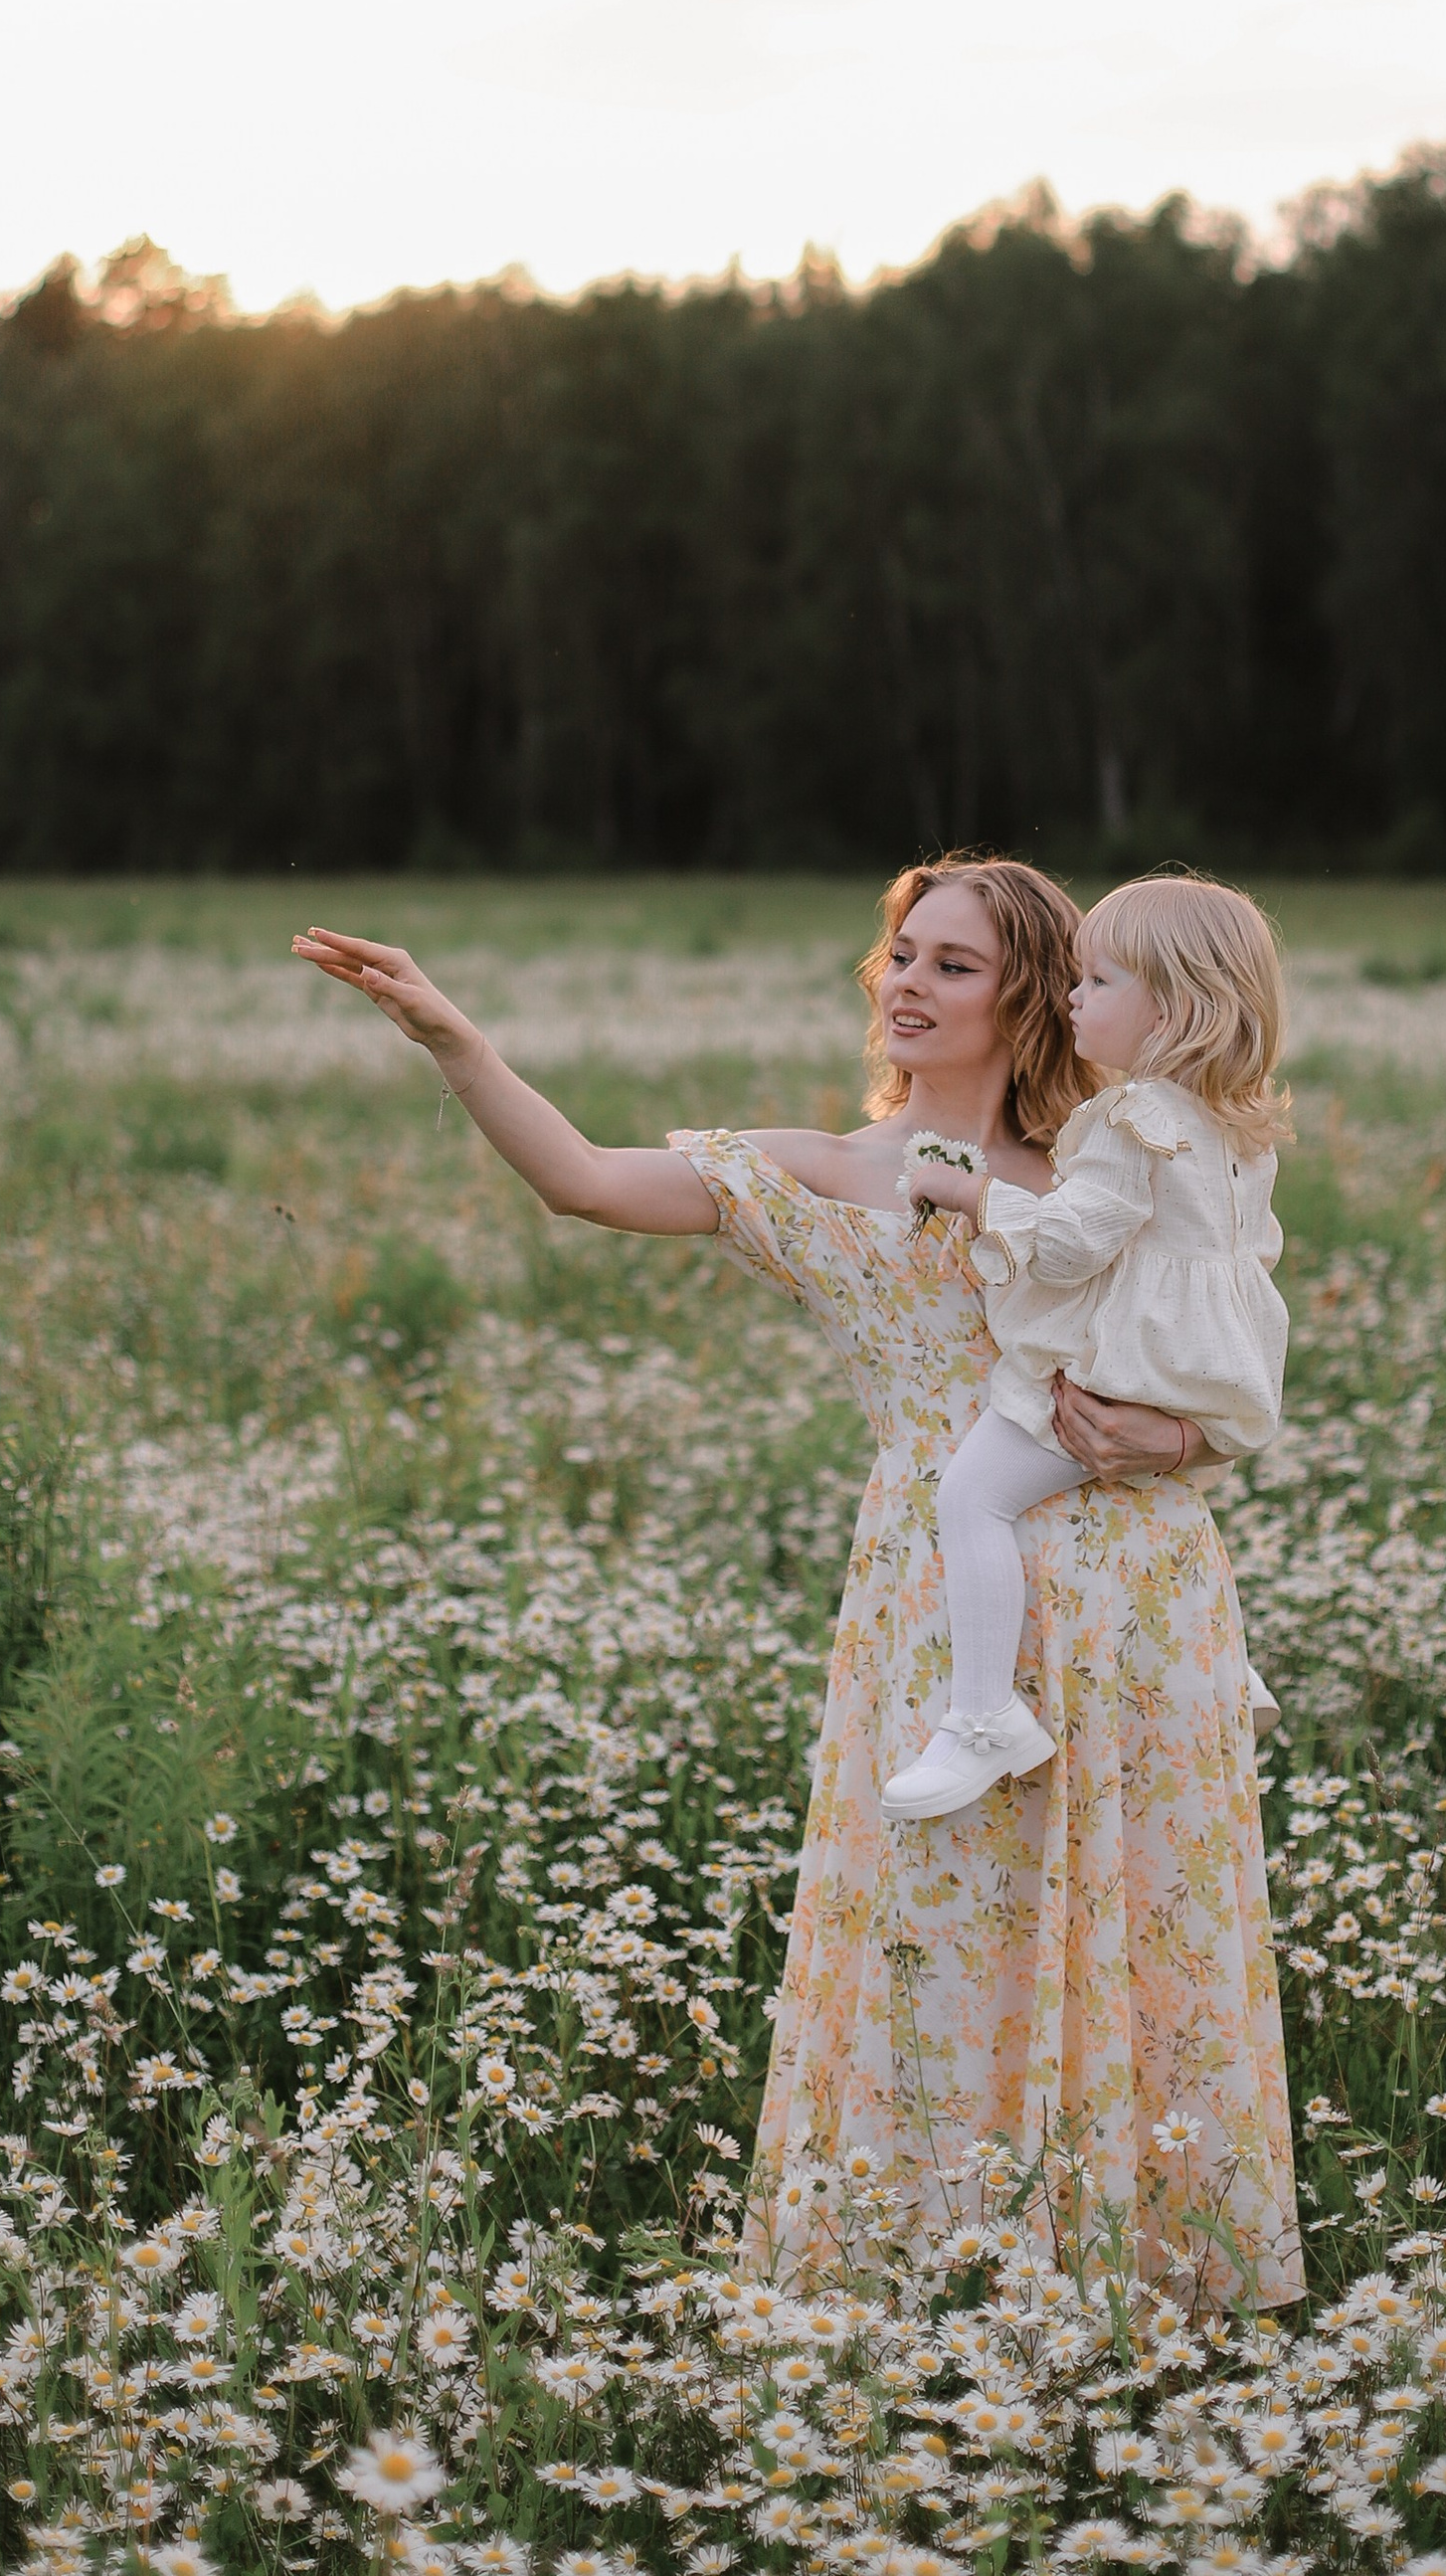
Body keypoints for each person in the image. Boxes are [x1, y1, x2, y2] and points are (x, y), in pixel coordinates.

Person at [293, 857, 1300, 2301]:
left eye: (953, 964)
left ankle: (1149, 2286)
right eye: (900, 952)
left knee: (1140, 1930)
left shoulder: (1127, 1147)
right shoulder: (833, 1171)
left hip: (1143, 1596)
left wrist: (1186, 1436)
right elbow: (582, 1183)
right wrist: (457, 1039)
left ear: (1035, 992)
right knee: (943, 1933)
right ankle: (937, 2283)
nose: (906, 981)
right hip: (946, 1599)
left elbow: (1228, 1338)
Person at [881, 873, 1290, 1818]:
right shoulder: (1234, 1129)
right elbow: (1250, 1253)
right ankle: (1230, 1663)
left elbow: (1068, 1247)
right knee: (1153, 1505)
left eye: (1098, 982)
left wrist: (974, 1196)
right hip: (1210, 1364)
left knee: (972, 1495)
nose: (1072, 998)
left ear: (1173, 1009)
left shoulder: (1128, 1118)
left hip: (1126, 1367)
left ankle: (983, 1716)